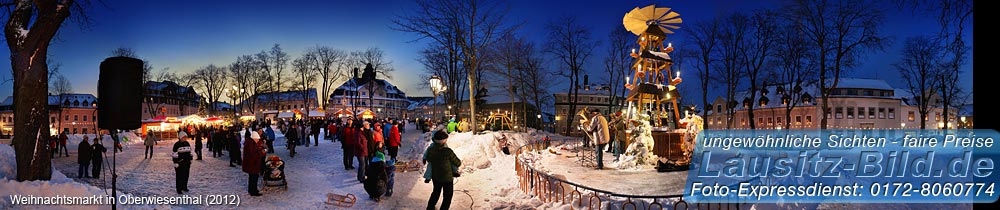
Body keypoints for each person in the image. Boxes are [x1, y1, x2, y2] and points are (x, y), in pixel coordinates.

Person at [426, 130, 462, 210]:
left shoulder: (430, 150)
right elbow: (458, 163)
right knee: (447, 196)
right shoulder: (448, 151)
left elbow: (428, 159)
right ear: (443, 141)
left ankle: (430, 208)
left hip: (436, 177)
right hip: (447, 178)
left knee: (436, 192)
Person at [243, 130, 265, 196]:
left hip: (251, 164)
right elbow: (253, 154)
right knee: (254, 177)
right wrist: (261, 152)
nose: (258, 140)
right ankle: (253, 191)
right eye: (257, 139)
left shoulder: (250, 143)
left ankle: (252, 190)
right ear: (254, 138)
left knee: (252, 177)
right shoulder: (251, 144)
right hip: (253, 164)